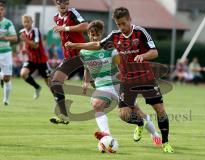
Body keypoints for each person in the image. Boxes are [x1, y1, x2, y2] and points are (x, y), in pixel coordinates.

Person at [65, 7, 174, 153]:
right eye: (118, 25)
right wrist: (75, 45)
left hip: (145, 78)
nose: (121, 27)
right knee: (124, 114)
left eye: (123, 23)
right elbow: (97, 45)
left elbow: (154, 52)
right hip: (127, 81)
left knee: (160, 110)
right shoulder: (114, 36)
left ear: (129, 19)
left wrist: (143, 56)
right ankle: (139, 124)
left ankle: (164, 142)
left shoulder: (140, 32)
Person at [80, 20, 161, 145]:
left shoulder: (109, 49)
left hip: (118, 85)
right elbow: (87, 68)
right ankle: (106, 135)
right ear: (88, 34)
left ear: (101, 35)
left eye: (96, 35)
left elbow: (122, 64)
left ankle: (154, 133)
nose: (94, 37)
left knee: (135, 112)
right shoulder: (83, 52)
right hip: (102, 87)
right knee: (96, 105)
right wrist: (85, 82)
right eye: (91, 34)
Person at [49, 0, 88, 124]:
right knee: (52, 82)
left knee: (55, 82)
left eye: (65, 2)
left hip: (79, 55)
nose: (63, 4)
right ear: (55, 2)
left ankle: (64, 116)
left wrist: (65, 28)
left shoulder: (72, 13)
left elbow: (85, 26)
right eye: (60, 2)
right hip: (69, 58)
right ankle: (64, 116)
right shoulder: (56, 18)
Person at [20, 15, 51, 99]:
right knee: (23, 74)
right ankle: (37, 87)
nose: (26, 23)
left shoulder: (35, 30)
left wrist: (25, 40)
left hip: (41, 60)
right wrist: (23, 49)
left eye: (28, 21)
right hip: (31, 59)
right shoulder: (22, 32)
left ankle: (58, 99)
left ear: (32, 22)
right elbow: (24, 44)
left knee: (49, 83)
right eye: (24, 22)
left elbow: (36, 46)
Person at [0, 1, 18, 105]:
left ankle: (6, 99)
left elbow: (15, 38)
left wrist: (4, 38)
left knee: (7, 78)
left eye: (1, 9)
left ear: (4, 11)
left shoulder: (8, 23)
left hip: (6, 53)